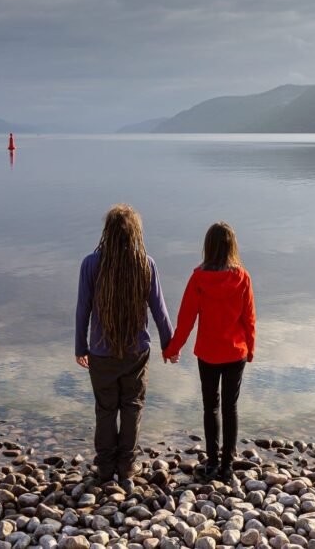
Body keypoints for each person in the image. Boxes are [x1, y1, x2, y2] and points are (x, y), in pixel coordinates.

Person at [75, 204, 175, 487]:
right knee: (132, 407)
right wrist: (169, 344)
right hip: (136, 352)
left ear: (107, 231)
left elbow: (83, 309)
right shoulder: (146, 263)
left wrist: (80, 346)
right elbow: (160, 310)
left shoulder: (91, 264)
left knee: (105, 408)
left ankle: (105, 468)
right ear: (135, 232)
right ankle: (127, 467)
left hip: (100, 351)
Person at [163, 222, 256, 481]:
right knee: (230, 407)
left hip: (208, 353)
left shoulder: (198, 278)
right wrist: (251, 348)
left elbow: (186, 320)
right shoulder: (242, 277)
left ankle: (213, 461)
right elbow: (249, 319)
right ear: (232, 247)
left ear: (208, 247)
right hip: (235, 352)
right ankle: (227, 465)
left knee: (210, 407)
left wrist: (172, 349)